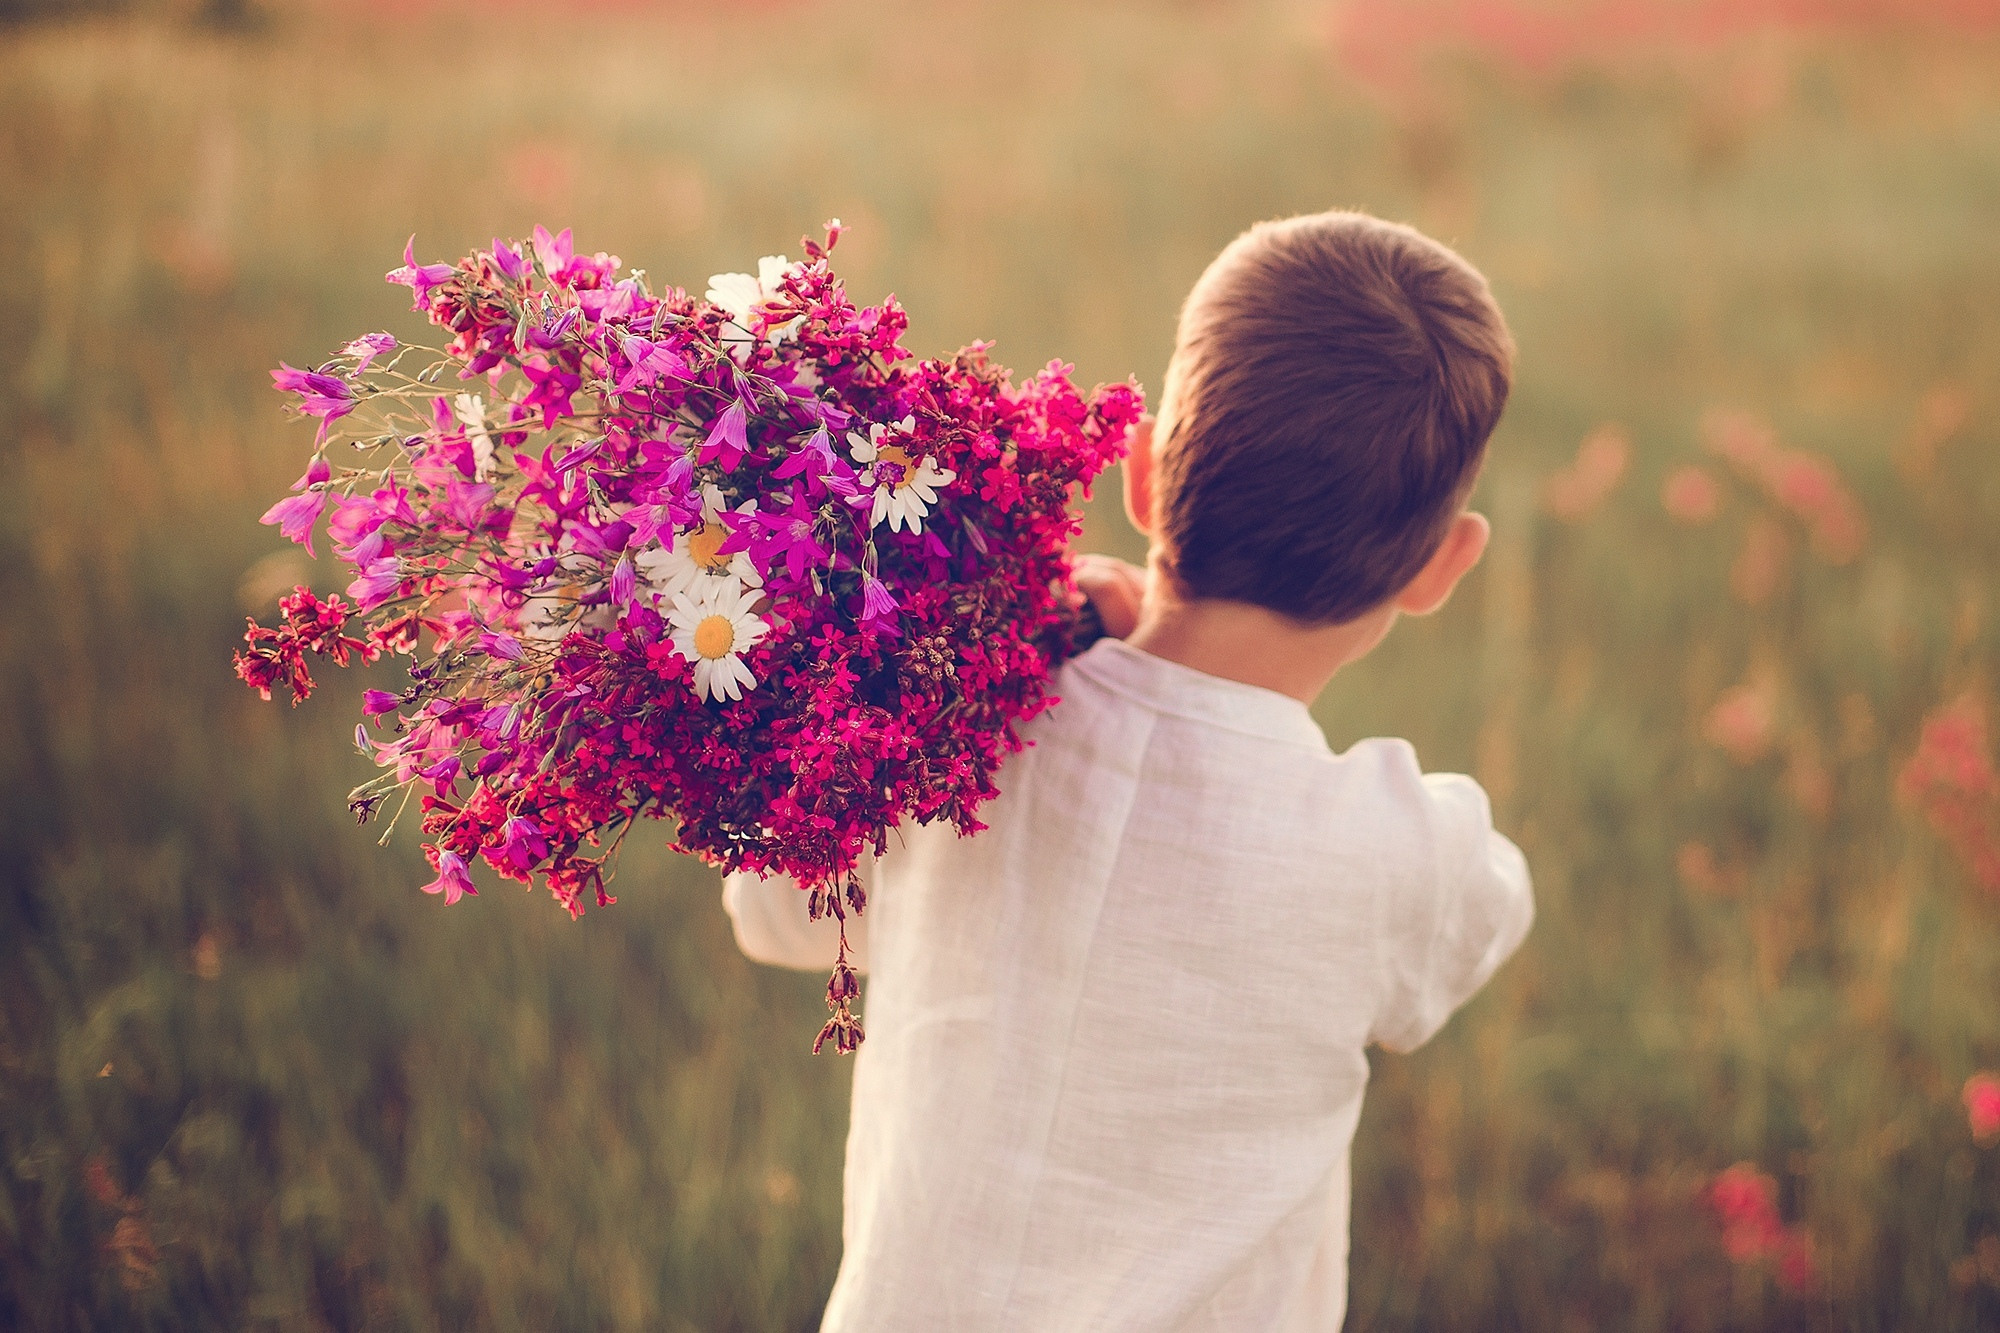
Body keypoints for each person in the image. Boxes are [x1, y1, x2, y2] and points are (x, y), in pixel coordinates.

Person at [723, 210, 1534, 1331]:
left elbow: (772, 911)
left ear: (1141, 477)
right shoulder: (1398, 855)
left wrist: (984, 656)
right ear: (1442, 567)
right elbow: (1487, 906)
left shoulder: (965, 739)